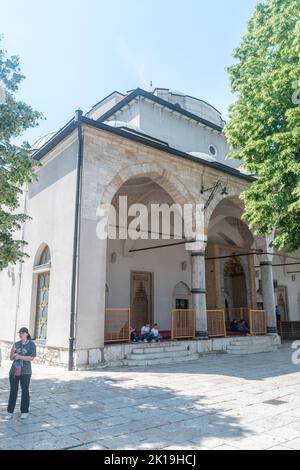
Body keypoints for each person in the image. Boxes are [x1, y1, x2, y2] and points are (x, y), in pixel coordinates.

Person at [5, 327, 36, 420]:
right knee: (13, 391)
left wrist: (19, 357)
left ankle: (24, 411)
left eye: (22, 333)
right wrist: (13, 354)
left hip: (25, 371)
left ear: (26, 334)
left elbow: (31, 357)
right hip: (14, 370)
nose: (21, 334)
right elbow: (11, 358)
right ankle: (9, 412)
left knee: (25, 391)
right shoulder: (16, 344)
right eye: (20, 333)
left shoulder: (31, 344)